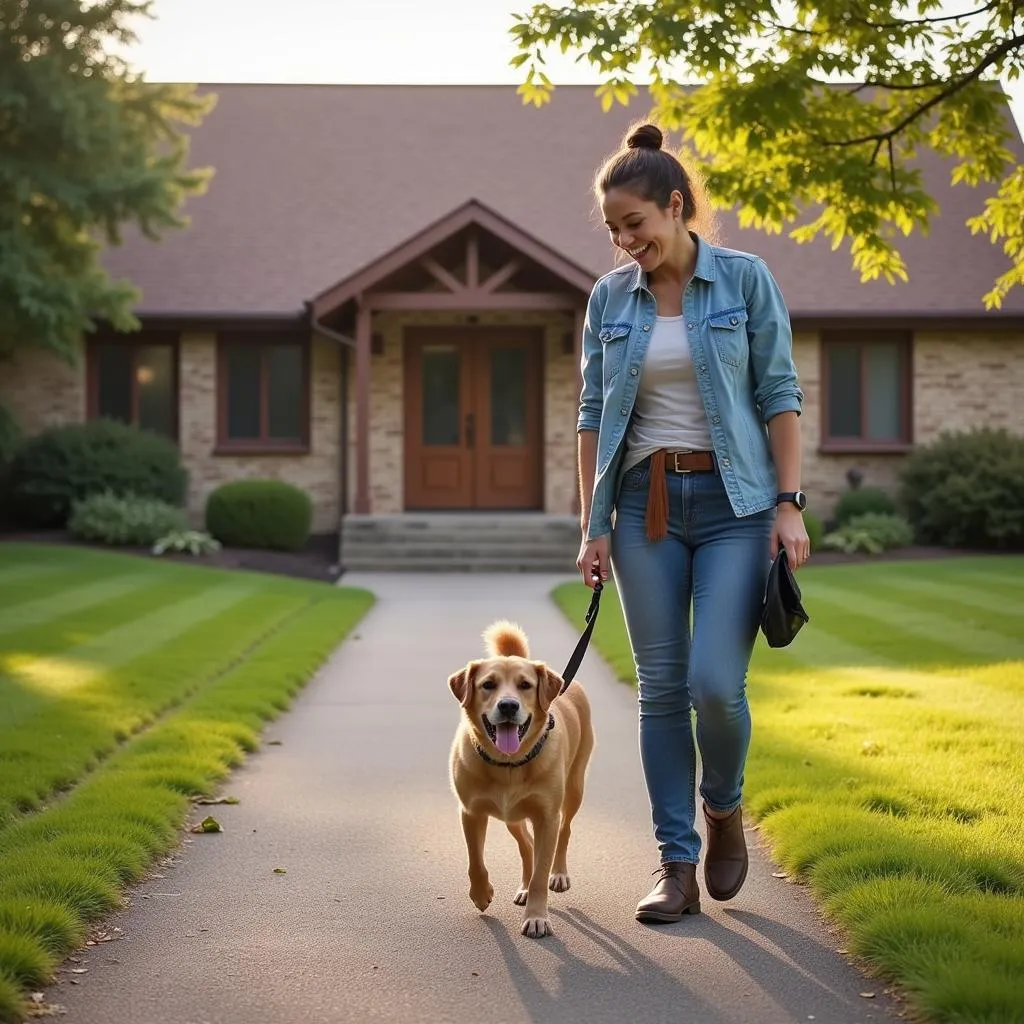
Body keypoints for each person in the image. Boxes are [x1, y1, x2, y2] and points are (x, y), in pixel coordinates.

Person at [576, 122, 810, 923]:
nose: (624, 241)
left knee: (717, 684)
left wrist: (788, 503)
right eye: (612, 230)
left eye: (634, 224)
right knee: (661, 690)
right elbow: (589, 415)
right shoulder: (609, 298)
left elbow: (779, 392)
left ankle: (723, 807)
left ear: (676, 207)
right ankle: (675, 863)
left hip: (737, 507)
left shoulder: (744, 280)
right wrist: (592, 523)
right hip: (644, 508)